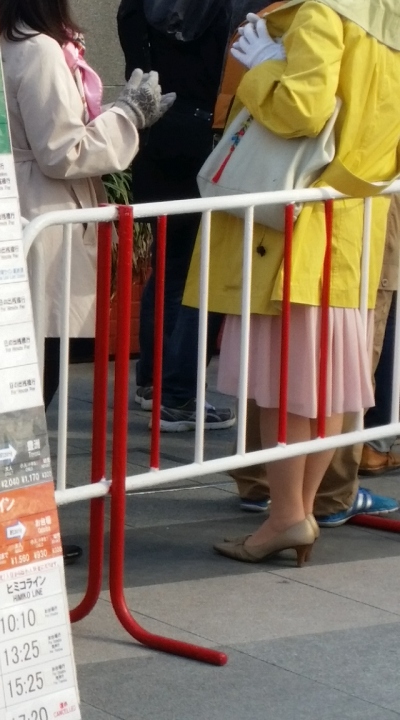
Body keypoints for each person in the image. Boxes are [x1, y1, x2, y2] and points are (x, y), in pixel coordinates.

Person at [191, 0, 400, 564]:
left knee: (287, 385)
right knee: (324, 384)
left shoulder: (322, 14)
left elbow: (301, 110)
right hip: (353, 227)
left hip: (293, 226)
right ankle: (299, 513)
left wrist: (263, 70)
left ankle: (286, 515)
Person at [0, 0, 174, 410]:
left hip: (14, 201)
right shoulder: (39, 48)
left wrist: (119, 114)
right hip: (44, 208)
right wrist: (127, 116)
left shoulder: (0, 41)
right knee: (42, 357)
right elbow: (63, 151)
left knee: (21, 355)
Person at [231, 201, 400, 526]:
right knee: (339, 372)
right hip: (340, 226)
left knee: (275, 367)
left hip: (281, 226)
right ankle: (324, 498)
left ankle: (269, 488)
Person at [118, 0, 236, 432]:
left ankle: (151, 383)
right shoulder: (221, 9)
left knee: (166, 266)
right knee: (191, 272)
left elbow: (135, 63)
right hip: (201, 133)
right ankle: (176, 395)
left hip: (154, 131)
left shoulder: (136, 6)